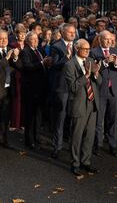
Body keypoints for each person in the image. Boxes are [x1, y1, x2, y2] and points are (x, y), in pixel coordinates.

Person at [64, 39, 101, 176]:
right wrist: (85, 76)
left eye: (88, 49)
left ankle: (86, 161)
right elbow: (73, 87)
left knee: (89, 136)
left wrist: (96, 74)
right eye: (84, 49)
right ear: (77, 48)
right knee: (76, 136)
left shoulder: (90, 61)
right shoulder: (70, 65)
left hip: (92, 104)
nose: (87, 51)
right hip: (79, 104)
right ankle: (75, 163)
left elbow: (100, 82)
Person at [90, 30, 117, 156]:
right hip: (100, 91)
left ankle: (112, 144)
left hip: (114, 91)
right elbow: (93, 72)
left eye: (111, 39)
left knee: (113, 119)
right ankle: (97, 145)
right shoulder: (94, 52)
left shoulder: (116, 51)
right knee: (99, 120)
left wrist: (115, 63)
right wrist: (104, 62)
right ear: (100, 40)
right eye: (106, 39)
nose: (109, 41)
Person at [49, 23, 76, 158]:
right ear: (63, 32)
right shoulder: (56, 46)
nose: (72, 34)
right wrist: (66, 57)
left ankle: (72, 146)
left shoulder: (78, 45)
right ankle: (57, 147)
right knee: (60, 118)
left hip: (75, 87)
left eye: (74, 32)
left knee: (73, 117)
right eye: (70, 32)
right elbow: (54, 64)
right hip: (62, 87)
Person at [21, 31, 49, 150]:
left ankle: (37, 136)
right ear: (27, 41)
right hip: (30, 88)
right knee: (30, 115)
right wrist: (42, 63)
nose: (36, 41)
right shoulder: (25, 52)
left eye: (37, 39)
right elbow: (28, 67)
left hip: (41, 87)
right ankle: (29, 140)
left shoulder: (40, 50)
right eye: (33, 39)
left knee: (38, 114)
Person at [8, 24, 26, 129]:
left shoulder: (27, 45)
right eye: (20, 34)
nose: (22, 36)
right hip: (16, 74)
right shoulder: (12, 45)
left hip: (26, 75)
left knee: (24, 99)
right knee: (16, 98)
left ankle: (23, 122)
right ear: (16, 34)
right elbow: (11, 61)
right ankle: (15, 122)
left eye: (24, 34)